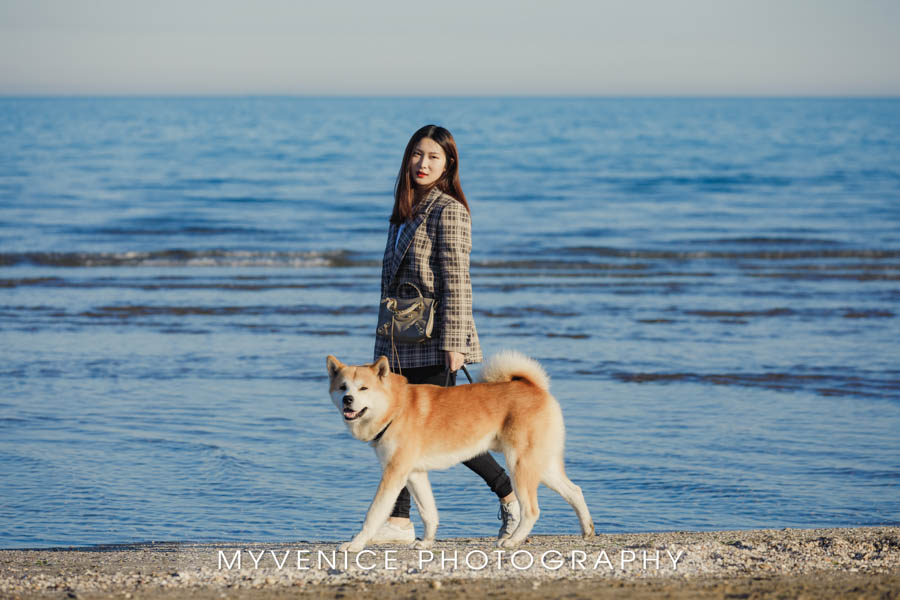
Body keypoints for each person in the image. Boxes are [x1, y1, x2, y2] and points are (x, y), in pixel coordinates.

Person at [371, 124, 519, 544]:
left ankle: (508, 495)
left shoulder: (448, 209)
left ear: (448, 164)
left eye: (434, 157)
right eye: (418, 154)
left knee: (448, 436)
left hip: (436, 338)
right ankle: (399, 524)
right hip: (397, 336)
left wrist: (456, 342)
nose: (423, 163)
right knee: (392, 432)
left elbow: (458, 280)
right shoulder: (404, 208)